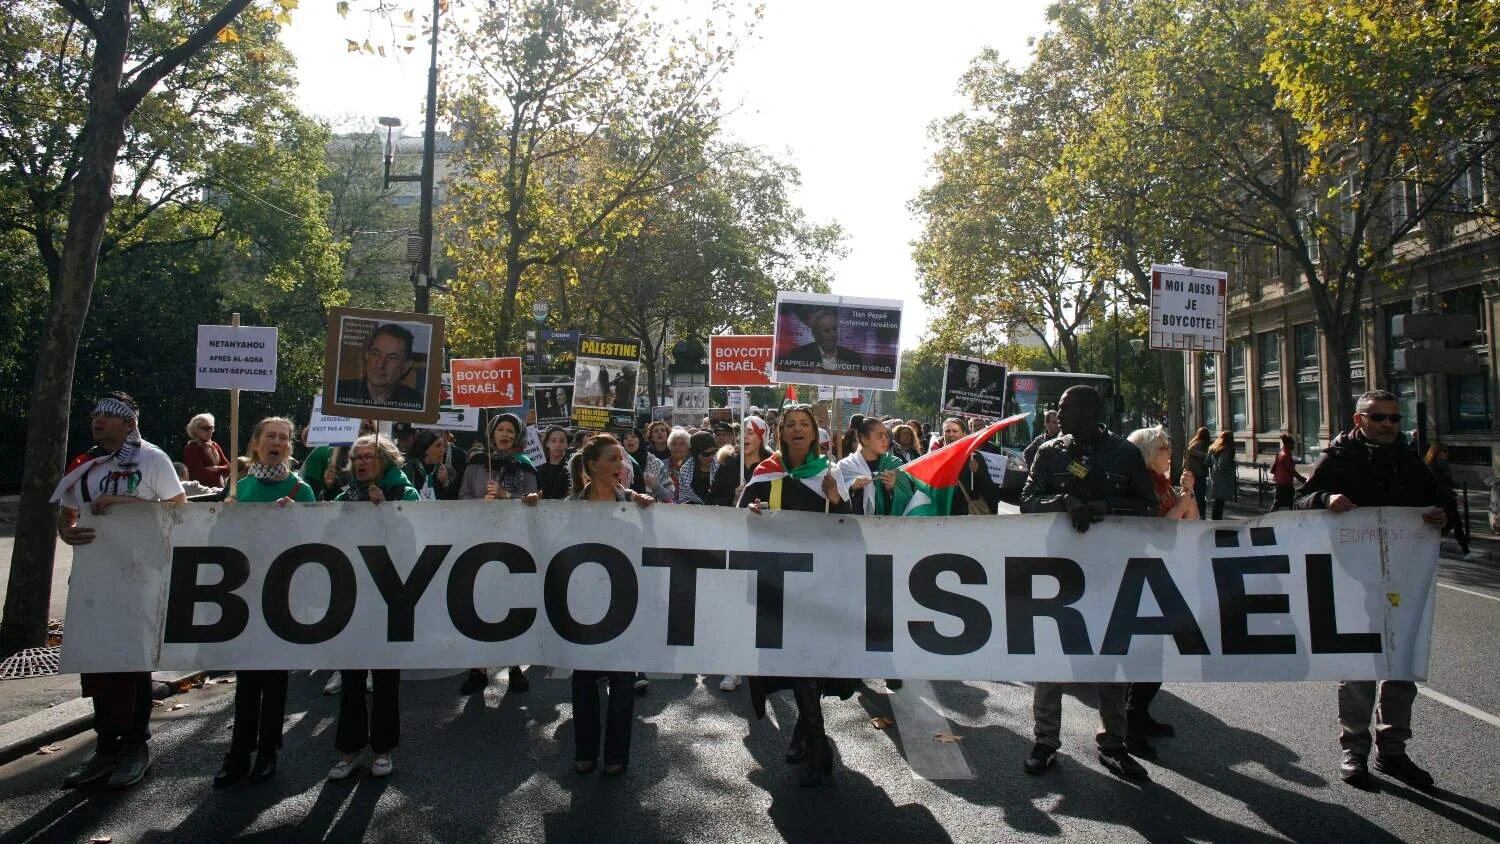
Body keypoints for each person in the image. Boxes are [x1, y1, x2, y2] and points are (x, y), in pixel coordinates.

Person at [1294, 390, 1449, 790]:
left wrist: (1439, 516)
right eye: (1380, 417)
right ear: (1360, 419)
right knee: (1359, 665)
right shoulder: (1337, 458)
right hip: (1352, 577)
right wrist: (1325, 498)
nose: (1388, 425)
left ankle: (1393, 751)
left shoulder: (1410, 460)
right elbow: (1297, 502)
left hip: (1403, 580)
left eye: (1395, 418)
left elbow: (1439, 502)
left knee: (1401, 666)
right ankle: (1355, 749)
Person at [1019, 385, 1157, 780]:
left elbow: (1148, 507)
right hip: (1058, 575)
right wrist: (1061, 501)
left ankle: (1113, 743)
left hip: (1111, 573)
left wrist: (1107, 509)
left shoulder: (1125, 454)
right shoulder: (1049, 453)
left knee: (1112, 660)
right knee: (1051, 660)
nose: (1057, 414)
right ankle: (1045, 741)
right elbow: (1027, 500)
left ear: (1089, 410)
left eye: (1064, 407)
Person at [53, 392, 187, 790]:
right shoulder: (86, 463)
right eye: (94, 414)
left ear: (130, 423)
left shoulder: (153, 460)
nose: (98, 420)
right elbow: (68, 511)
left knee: (131, 662)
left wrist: (128, 502)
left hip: (139, 577)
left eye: (108, 416)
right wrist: (65, 530)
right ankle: (105, 746)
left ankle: (135, 746)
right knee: (97, 661)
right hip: (94, 578)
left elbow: (179, 508)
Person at [738, 404, 854, 787]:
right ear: (781, 432)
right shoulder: (764, 472)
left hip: (822, 585)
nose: (799, 430)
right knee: (795, 663)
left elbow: (849, 530)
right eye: (792, 425)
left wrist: (836, 498)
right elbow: (738, 523)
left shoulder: (828, 474)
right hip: (778, 587)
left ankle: (808, 734)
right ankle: (813, 736)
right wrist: (751, 511)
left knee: (813, 664)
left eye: (806, 424)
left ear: (815, 433)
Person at [543, 433, 653, 775]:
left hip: (625, 603)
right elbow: (549, 544)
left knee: (622, 683)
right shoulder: (570, 508)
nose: (620, 466)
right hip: (582, 605)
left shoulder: (635, 504)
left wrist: (646, 510)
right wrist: (530, 509)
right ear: (592, 466)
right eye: (612, 460)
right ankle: (585, 750)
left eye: (621, 460)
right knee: (584, 679)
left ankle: (616, 755)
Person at [215, 416, 316, 787]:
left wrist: (296, 522)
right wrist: (225, 516)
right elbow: (216, 544)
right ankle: (238, 753)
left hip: (282, 597)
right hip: (244, 596)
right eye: (270, 436)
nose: (277, 442)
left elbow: (316, 546)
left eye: (284, 438)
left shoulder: (301, 491)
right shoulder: (237, 490)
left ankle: (269, 752)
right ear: (255, 444)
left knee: (274, 680)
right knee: (247, 682)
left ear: (290, 447)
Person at [329, 434, 419, 780]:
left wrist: (388, 514)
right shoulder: (344, 497)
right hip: (352, 596)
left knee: (384, 679)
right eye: (358, 457)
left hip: (389, 597)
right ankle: (349, 749)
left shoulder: (404, 494)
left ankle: (383, 748)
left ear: (385, 461)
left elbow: (411, 541)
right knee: (351, 677)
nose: (363, 462)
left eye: (371, 456)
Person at [1122, 426, 1198, 760]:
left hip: (1167, 575)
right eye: (1164, 446)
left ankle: (1141, 717)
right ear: (1150, 453)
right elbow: (1160, 531)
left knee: (1159, 659)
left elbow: (1192, 523)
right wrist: (1180, 504)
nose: (1170, 451)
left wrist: (1188, 498)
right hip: (1145, 579)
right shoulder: (1140, 487)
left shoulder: (1164, 486)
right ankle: (1132, 728)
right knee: (1147, 658)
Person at [458, 413, 540, 696]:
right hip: (480, 543)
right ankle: (478, 669)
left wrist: (509, 499)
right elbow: (462, 499)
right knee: (479, 603)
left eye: (510, 430)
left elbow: (534, 505)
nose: (504, 434)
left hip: (514, 545)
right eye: (500, 429)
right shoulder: (475, 464)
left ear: (517, 436)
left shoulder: (526, 467)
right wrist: (481, 502)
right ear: (491, 433)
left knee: (512, 604)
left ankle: (515, 666)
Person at [334, 323, 426, 410]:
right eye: (375, 354)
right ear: (367, 356)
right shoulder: (339, 392)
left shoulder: (416, 402)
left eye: (391, 358)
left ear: (406, 367)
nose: (380, 364)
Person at [709, 415, 771, 508]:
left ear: (761, 438)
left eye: (750, 432)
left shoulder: (772, 466)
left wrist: (765, 506)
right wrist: (733, 501)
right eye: (743, 432)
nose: (745, 436)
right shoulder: (728, 463)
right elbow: (711, 500)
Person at [778, 307, 864, 372]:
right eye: (826, 331)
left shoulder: (853, 358)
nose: (832, 334)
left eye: (834, 329)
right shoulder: (798, 355)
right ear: (815, 334)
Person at [1424, 443, 1470, 555]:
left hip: (1447, 500)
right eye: (1444, 451)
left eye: (1447, 451)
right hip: (1442, 501)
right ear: (1437, 452)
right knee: (1453, 525)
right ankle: (1466, 552)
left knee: (1453, 525)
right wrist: (1455, 495)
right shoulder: (1433, 466)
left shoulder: (1441, 465)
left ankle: (1466, 552)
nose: (1447, 454)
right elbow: (1441, 484)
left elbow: (1446, 480)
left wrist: (1457, 486)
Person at [404, 430, 459, 500]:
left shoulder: (449, 472)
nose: (443, 450)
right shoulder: (408, 469)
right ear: (425, 449)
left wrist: (444, 483)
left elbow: (453, 503)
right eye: (438, 445)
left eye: (443, 446)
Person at [622, 427, 674, 502]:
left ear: (640, 439)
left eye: (633, 436)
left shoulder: (655, 463)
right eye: (625, 438)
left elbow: (670, 495)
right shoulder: (618, 464)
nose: (629, 439)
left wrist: (656, 486)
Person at [182, 412, 230, 488]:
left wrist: (216, 468)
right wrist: (220, 470)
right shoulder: (192, 447)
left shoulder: (214, 445)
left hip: (218, 490)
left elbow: (229, 468)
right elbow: (200, 474)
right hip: (201, 493)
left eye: (211, 428)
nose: (210, 431)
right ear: (195, 430)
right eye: (205, 428)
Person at [675, 431, 718, 505]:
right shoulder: (685, 470)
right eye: (706, 454)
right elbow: (684, 499)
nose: (711, 457)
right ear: (696, 453)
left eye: (714, 453)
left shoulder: (721, 466)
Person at [537, 425, 573, 500]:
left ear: (567, 444)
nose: (558, 445)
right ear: (547, 443)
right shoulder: (538, 468)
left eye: (562, 441)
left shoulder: (572, 468)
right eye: (553, 441)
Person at [1206, 431, 1237, 519]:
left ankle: (1215, 518)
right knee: (1220, 501)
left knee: (1218, 501)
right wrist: (1230, 468)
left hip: (1214, 477)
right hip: (1223, 478)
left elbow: (1207, 462)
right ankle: (1217, 519)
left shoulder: (1213, 448)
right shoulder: (1227, 449)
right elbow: (1223, 463)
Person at [1270, 433, 1303, 511]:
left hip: (1283, 481)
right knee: (1278, 502)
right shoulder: (1285, 455)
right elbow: (1291, 470)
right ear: (1288, 444)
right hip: (1285, 482)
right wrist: (1302, 479)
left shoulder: (1282, 452)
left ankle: (1291, 517)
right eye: (1292, 444)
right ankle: (1269, 517)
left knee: (1289, 502)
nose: (1293, 446)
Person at [1184, 427, 1211, 520]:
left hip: (1194, 472)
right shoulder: (1199, 443)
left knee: (1195, 494)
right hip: (1197, 473)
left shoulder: (1195, 442)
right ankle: (1200, 514)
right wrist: (1205, 456)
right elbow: (1190, 451)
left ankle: (1197, 513)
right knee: (1200, 494)